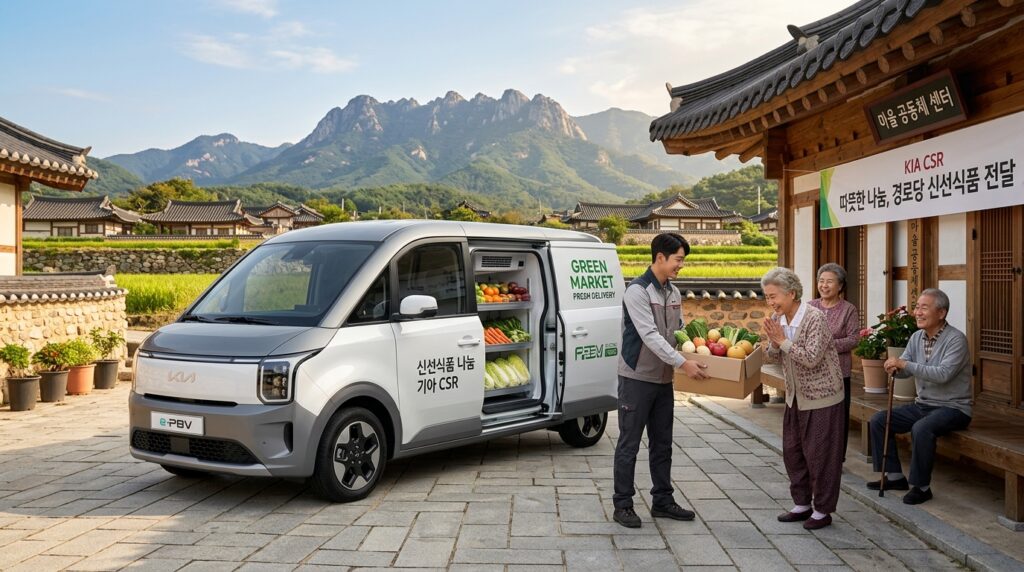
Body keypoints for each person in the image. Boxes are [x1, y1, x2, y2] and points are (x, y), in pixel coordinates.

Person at [613, 232, 708, 529]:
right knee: (629, 444)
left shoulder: (674, 292)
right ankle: (623, 504)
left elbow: (677, 331)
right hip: (637, 378)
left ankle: (663, 501)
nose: (681, 265)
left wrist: (697, 346)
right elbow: (650, 335)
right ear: (660, 258)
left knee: (662, 443)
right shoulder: (637, 292)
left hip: (664, 379)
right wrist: (683, 362)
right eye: (678, 260)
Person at [868, 288, 971, 505]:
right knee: (879, 420)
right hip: (923, 405)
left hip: (953, 408)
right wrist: (894, 367)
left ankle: (921, 487)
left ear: (941, 313)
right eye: (916, 307)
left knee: (921, 428)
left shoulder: (956, 340)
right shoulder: (916, 337)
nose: (917, 312)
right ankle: (894, 476)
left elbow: (943, 374)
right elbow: (906, 369)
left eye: (924, 308)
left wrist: (905, 364)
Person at [762, 267, 845, 530]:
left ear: (792, 293)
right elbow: (772, 355)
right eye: (767, 297)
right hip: (795, 396)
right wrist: (774, 343)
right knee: (793, 451)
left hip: (822, 396)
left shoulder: (814, 318)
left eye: (774, 296)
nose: (771, 302)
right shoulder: (780, 319)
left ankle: (822, 510)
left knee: (821, 455)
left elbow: (810, 358)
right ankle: (801, 503)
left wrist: (781, 341)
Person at [807, 263, 860, 457]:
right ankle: (814, 452)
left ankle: (837, 457)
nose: (824, 285)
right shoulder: (810, 307)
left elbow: (854, 339)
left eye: (829, 281)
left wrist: (826, 347)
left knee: (837, 416)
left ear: (840, 286)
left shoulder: (848, 310)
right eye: (821, 281)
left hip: (838, 372)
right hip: (811, 370)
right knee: (814, 413)